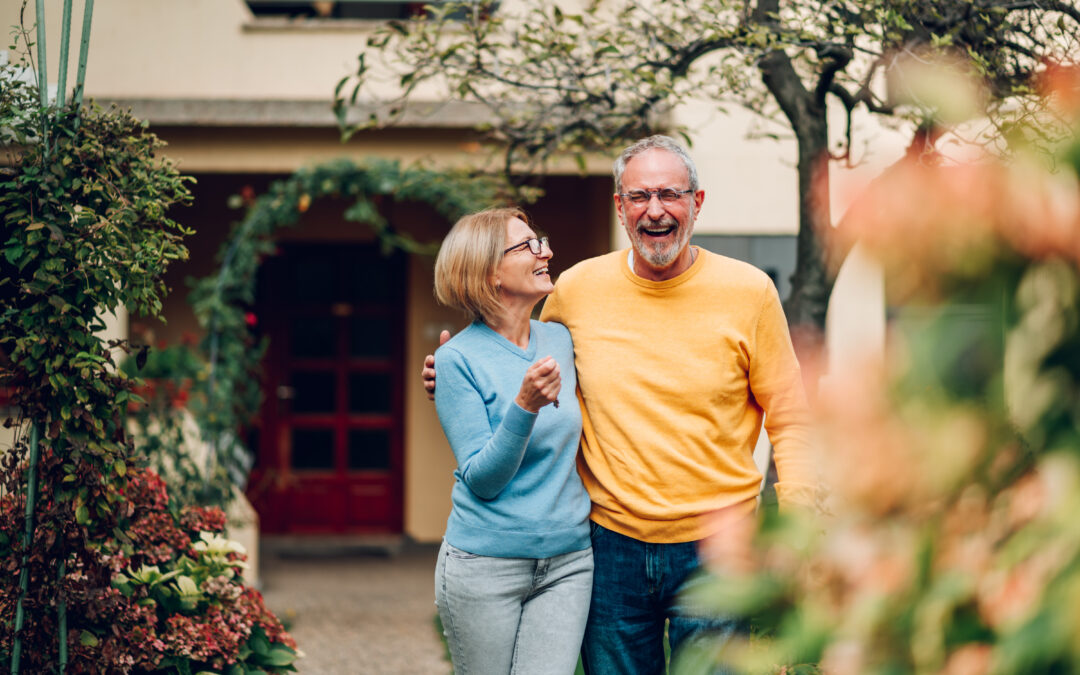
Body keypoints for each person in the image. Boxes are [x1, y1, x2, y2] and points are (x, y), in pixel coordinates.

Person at [425, 137, 815, 674]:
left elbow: (790, 416)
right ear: (619, 206)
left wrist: (798, 524)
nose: (654, 209)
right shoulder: (577, 289)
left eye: (670, 194)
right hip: (607, 548)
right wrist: (448, 375)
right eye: (639, 196)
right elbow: (511, 350)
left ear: (697, 203)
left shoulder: (750, 292)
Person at [430, 207, 594, 675]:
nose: (546, 251)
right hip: (484, 565)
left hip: (568, 561)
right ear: (488, 272)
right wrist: (524, 406)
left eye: (540, 240)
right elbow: (482, 480)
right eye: (527, 246)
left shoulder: (562, 338)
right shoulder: (456, 359)